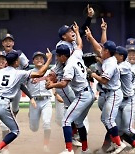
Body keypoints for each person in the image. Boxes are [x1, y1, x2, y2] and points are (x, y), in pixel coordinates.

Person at [0, 50, 52, 154]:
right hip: (3, 104)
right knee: (15, 131)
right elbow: (40, 73)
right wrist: (49, 60)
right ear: (16, 62)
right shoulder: (19, 73)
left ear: (7, 62)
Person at [49, 4, 95, 147]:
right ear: (64, 36)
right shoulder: (62, 47)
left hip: (74, 82)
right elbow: (61, 65)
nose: (73, 32)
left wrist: (88, 18)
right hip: (66, 81)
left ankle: (75, 141)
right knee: (71, 114)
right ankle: (74, 140)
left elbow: (80, 33)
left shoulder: (72, 42)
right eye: (69, 31)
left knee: (72, 115)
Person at [87, 40, 126, 154]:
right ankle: (116, 142)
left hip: (113, 93)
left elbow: (104, 80)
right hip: (109, 93)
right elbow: (99, 50)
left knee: (108, 120)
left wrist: (92, 73)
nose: (101, 50)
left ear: (107, 51)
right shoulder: (109, 59)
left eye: (103, 49)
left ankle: (119, 144)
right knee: (105, 119)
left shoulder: (111, 63)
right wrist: (90, 38)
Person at [26, 51, 53, 153]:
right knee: (34, 128)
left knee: (47, 123)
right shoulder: (29, 73)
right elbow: (22, 85)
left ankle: (46, 145)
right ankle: (31, 115)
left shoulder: (50, 72)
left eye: (41, 58)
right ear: (33, 61)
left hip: (47, 101)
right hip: (34, 102)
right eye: (36, 58)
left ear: (44, 60)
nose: (39, 60)